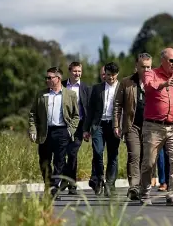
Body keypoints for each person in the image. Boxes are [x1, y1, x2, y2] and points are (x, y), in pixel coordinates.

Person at [139, 48, 173, 206]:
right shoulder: (152, 73)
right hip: (153, 126)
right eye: (172, 61)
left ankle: (172, 194)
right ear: (162, 61)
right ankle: (144, 192)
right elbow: (148, 86)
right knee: (149, 162)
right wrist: (164, 84)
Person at [28, 67, 80, 199]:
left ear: (58, 79)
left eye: (50, 77)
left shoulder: (70, 95)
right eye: (46, 78)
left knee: (59, 161)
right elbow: (32, 114)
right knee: (44, 161)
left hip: (62, 131)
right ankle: (48, 186)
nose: (47, 80)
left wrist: (70, 130)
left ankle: (54, 188)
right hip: (45, 132)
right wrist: (33, 129)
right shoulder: (41, 94)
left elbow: (76, 116)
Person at [113, 53, 152, 200]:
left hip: (150, 126)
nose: (146, 70)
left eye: (149, 67)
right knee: (134, 155)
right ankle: (134, 186)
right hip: (132, 125)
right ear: (136, 67)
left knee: (147, 158)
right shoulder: (126, 82)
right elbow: (117, 105)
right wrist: (116, 125)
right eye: (143, 67)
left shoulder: (155, 82)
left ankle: (144, 185)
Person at [83, 62, 121, 196]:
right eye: (108, 75)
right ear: (105, 74)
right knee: (98, 152)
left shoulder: (121, 88)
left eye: (113, 75)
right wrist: (86, 129)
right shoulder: (97, 88)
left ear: (117, 74)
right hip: (98, 125)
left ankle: (110, 184)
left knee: (113, 155)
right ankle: (99, 178)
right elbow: (91, 110)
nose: (110, 78)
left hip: (114, 126)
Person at [60, 62, 91, 195]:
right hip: (63, 124)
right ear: (69, 71)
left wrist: (87, 129)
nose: (77, 73)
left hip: (79, 125)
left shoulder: (85, 88)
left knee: (72, 153)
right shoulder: (61, 85)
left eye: (79, 71)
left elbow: (88, 109)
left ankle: (70, 183)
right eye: (75, 71)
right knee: (62, 154)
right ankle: (68, 181)